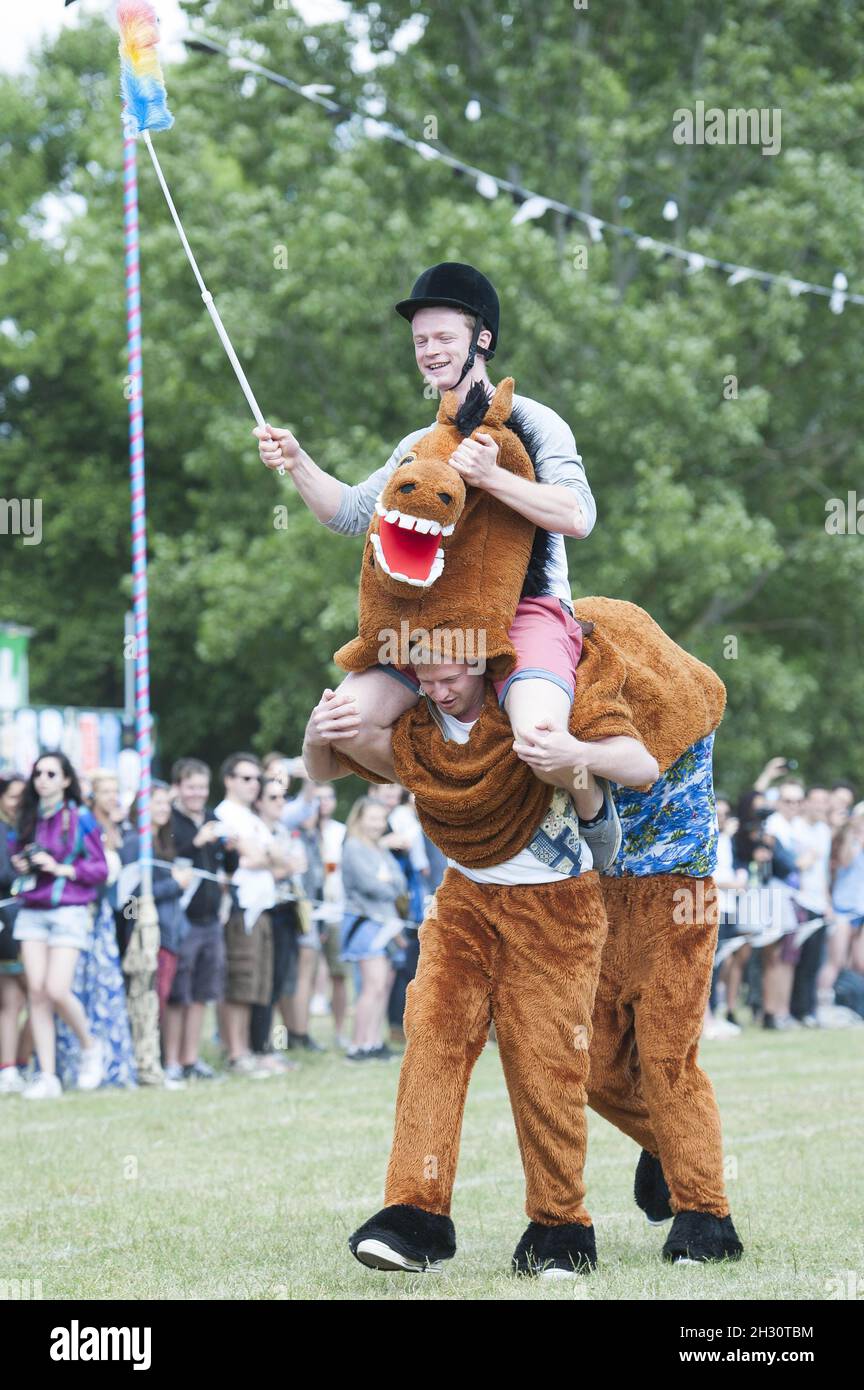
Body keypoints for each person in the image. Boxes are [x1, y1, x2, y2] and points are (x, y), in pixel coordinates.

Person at [304, 647, 656, 1275]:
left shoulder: (544, 691)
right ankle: (415, 1215)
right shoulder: (412, 723)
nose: (438, 692)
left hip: (557, 901)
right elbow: (324, 768)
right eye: (426, 679)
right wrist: (314, 735)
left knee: (547, 1061)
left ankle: (561, 1225)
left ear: (484, 663)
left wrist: (576, 756)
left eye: (449, 679)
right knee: (432, 1040)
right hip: (463, 896)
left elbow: (642, 766)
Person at [256, 262, 595, 795]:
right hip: (431, 622)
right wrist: (297, 460)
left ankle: (593, 806)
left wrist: (494, 478)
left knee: (540, 738)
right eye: (419, 341)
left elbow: (578, 516)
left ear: (481, 339)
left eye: (443, 337)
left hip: (523, 611)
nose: (429, 350)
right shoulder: (417, 442)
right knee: (347, 724)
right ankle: (459, 800)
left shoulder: (538, 421)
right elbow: (349, 513)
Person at [9, 753, 108, 1099]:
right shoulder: (29, 817)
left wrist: (60, 868)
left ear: (66, 779)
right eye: (38, 773)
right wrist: (24, 864)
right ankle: (48, 1076)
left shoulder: (80, 818)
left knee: (55, 989)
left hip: (68, 909)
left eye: (51, 773)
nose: (43, 779)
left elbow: (100, 870)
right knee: (36, 992)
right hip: (33, 910)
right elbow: (16, 856)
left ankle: (90, 1045)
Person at [164, 758, 238, 1082]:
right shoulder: (170, 821)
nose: (197, 793)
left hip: (211, 918)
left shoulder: (212, 817)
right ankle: (171, 1062)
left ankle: (191, 1058)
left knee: (201, 993)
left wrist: (231, 846)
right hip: (183, 920)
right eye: (190, 786)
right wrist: (197, 843)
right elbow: (171, 859)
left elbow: (229, 865)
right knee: (178, 993)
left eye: (202, 787)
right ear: (178, 787)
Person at [214, 753, 277, 1076]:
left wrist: (265, 856)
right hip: (241, 908)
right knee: (238, 982)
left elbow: (277, 858)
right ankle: (236, 1053)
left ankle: (249, 1049)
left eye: (257, 779)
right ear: (229, 780)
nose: (254, 784)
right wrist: (266, 855)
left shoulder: (251, 817)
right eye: (246, 778)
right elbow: (253, 857)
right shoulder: (225, 815)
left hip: (262, 906)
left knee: (257, 984)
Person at [339, 797, 408, 1063]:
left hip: (388, 924)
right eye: (372, 818)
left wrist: (388, 882)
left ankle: (373, 1041)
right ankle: (357, 1046)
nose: (378, 824)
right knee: (372, 985)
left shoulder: (381, 849)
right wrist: (387, 883)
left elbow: (399, 883)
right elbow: (371, 885)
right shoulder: (354, 848)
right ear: (359, 819)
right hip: (365, 924)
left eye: (381, 819)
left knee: (384, 986)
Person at [249, 777, 305, 1070]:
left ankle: (271, 1046)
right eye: (273, 798)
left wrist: (282, 866)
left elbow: (296, 865)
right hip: (264, 913)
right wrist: (280, 866)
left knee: (279, 983)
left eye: (283, 797)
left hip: (287, 912)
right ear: (259, 802)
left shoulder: (283, 831)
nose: (281, 802)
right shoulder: (255, 831)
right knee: (263, 983)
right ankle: (259, 1049)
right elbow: (264, 869)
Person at [788, 785, 834, 1026]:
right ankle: (796, 1010)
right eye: (815, 801)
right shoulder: (795, 828)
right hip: (799, 901)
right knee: (797, 958)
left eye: (823, 802)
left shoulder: (824, 831)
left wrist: (828, 901)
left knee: (814, 960)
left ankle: (809, 1009)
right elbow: (796, 865)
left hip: (818, 902)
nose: (819, 806)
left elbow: (823, 871)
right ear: (806, 803)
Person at [0, 773, 29, 1093]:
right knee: (39, 993)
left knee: (16, 999)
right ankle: (15, 1064)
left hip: (17, 921)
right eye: (12, 797)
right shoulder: (4, 831)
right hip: (8, 923)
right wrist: (21, 867)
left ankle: (12, 1066)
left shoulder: (19, 828)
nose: (18, 803)